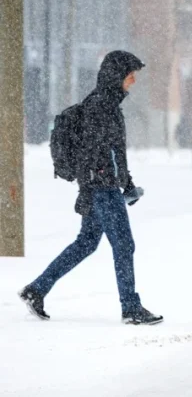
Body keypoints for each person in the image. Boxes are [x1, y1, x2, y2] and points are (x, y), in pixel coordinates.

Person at [19, 51, 163, 326]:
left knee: (86, 243)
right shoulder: (99, 106)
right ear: (116, 75)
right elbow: (91, 151)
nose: (133, 80)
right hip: (102, 188)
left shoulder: (108, 105)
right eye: (130, 74)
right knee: (124, 245)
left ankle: (36, 289)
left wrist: (127, 182)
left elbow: (114, 152)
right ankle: (131, 308)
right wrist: (93, 185)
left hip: (104, 185)